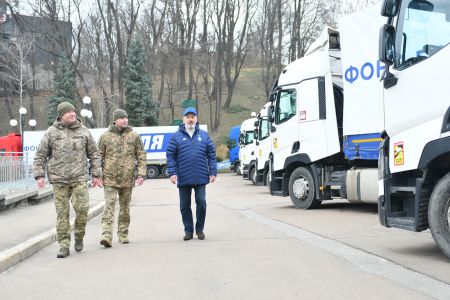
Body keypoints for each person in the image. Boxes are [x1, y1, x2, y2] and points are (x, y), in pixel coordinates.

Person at [33, 101, 103, 258]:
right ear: (61, 115)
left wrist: (97, 174)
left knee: (83, 209)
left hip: (79, 178)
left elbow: (94, 154)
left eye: (74, 111)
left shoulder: (84, 131)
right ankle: (64, 245)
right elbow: (41, 155)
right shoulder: (51, 132)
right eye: (68, 112)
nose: (73, 114)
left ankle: (79, 236)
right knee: (62, 214)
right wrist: (39, 175)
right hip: (59, 180)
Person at [166, 107, 217, 241]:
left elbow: (211, 155)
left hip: (200, 176)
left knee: (201, 202)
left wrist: (213, 172)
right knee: (184, 206)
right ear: (183, 119)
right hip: (183, 177)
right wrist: (172, 172)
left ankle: (199, 229)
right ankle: (188, 231)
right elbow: (170, 155)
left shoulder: (204, 135)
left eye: (193, 116)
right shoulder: (176, 136)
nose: (190, 119)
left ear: (196, 119)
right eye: (188, 117)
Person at [98, 109, 146, 248]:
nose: (125, 120)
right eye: (122, 118)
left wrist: (141, 174)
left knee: (125, 208)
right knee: (109, 205)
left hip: (127, 178)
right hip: (110, 178)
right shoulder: (105, 136)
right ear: (115, 120)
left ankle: (123, 233)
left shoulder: (134, 136)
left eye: (126, 117)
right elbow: (98, 157)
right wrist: (97, 175)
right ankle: (106, 235)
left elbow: (141, 155)